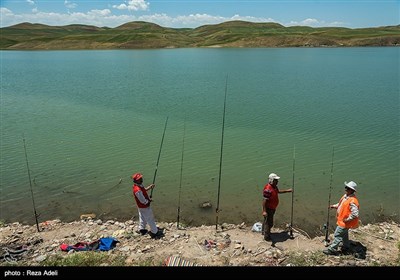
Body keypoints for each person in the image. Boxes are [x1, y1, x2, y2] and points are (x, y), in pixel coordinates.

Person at [323, 181, 360, 255]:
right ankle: (346, 247)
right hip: (343, 221)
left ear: (352, 190)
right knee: (344, 234)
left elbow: (355, 214)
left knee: (337, 235)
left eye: (347, 188)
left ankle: (332, 250)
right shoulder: (346, 196)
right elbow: (341, 205)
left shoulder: (353, 201)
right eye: (346, 187)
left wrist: (347, 219)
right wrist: (334, 206)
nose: (345, 189)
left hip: (345, 222)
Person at [262, 172, 292, 241]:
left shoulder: (274, 187)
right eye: (276, 180)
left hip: (273, 208)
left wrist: (287, 191)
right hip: (268, 208)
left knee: (267, 221)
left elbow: (278, 192)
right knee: (269, 223)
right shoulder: (268, 189)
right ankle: (267, 237)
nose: (277, 181)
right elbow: (264, 200)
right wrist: (264, 211)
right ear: (272, 180)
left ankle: (264, 232)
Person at [131, 173, 163, 238]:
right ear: (135, 181)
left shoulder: (138, 185)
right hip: (144, 207)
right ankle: (155, 232)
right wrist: (148, 201)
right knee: (150, 218)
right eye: (139, 179)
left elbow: (144, 190)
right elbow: (142, 200)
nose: (141, 179)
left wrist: (149, 187)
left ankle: (141, 229)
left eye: (141, 178)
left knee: (142, 217)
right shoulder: (137, 190)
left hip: (140, 207)